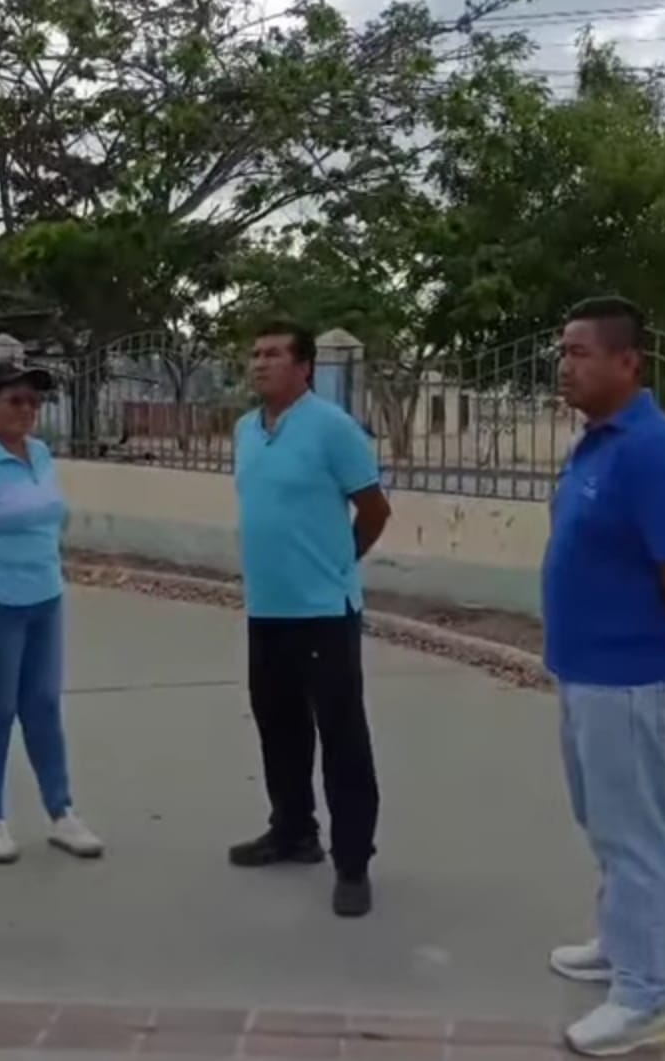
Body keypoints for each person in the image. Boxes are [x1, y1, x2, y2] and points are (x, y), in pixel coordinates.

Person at [544, 298, 665, 1057]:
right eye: (562, 352)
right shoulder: (595, 442)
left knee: (637, 837)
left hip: (630, 678)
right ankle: (622, 943)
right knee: (604, 823)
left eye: (580, 353)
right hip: (583, 670)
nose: (565, 366)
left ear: (629, 362)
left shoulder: (653, 451)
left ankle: (647, 995)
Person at [229, 320, 390, 918]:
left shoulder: (333, 427)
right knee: (279, 727)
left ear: (304, 367)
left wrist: (341, 563)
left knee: (342, 738)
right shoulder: (246, 430)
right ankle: (293, 830)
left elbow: (374, 509)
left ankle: (353, 863)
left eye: (273, 354)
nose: (259, 363)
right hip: (266, 608)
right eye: (255, 353)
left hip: (324, 611)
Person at [0, 361, 102, 865]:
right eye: (14, 400)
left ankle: (62, 813)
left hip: (44, 599)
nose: (27, 410)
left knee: (44, 706)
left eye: (33, 401)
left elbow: (48, 524)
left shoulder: (40, 453)